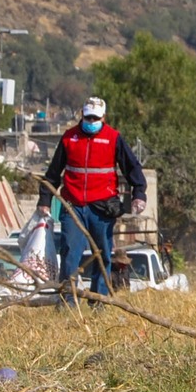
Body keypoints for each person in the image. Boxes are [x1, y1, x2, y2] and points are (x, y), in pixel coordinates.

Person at [36, 96, 146, 299]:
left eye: (96, 118)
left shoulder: (114, 138)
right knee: (70, 253)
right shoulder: (69, 138)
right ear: (82, 116)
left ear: (104, 117)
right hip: (73, 205)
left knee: (102, 254)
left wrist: (139, 194)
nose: (91, 122)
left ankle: (99, 300)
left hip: (102, 207)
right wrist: (44, 200)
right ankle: (68, 301)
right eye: (88, 118)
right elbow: (53, 173)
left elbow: (132, 168)